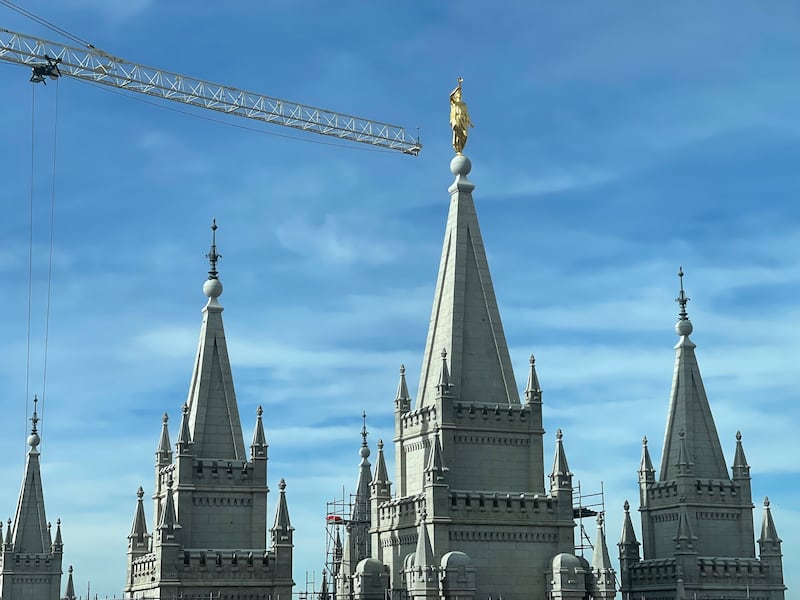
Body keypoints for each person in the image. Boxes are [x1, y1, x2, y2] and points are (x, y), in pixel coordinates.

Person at [449, 77, 473, 154]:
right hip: (457, 119)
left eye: (460, 93)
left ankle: (461, 149)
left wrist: (470, 122)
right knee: (458, 135)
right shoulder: (454, 103)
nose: (459, 94)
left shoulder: (464, 104)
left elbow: (466, 114)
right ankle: (458, 150)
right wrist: (457, 87)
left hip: (463, 119)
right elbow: (450, 96)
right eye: (458, 93)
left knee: (465, 136)